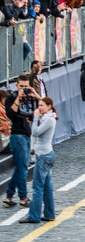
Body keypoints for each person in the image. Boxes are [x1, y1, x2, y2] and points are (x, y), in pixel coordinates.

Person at [19, 96, 57, 224]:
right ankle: (49, 214)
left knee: (38, 187)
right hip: (46, 154)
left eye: (42, 105)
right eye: (38, 105)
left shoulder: (49, 120)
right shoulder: (47, 118)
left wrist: (35, 118)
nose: (39, 108)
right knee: (46, 186)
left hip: (44, 156)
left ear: (49, 107)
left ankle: (34, 216)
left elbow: (35, 132)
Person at [2, 74, 38, 207]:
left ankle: (9, 197)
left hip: (27, 135)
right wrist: (18, 97)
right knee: (22, 168)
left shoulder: (30, 97)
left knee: (20, 168)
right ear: (16, 86)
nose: (24, 89)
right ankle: (23, 198)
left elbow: (42, 108)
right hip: (17, 136)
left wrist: (34, 94)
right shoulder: (11, 98)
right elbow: (10, 114)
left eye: (26, 86)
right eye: (21, 86)